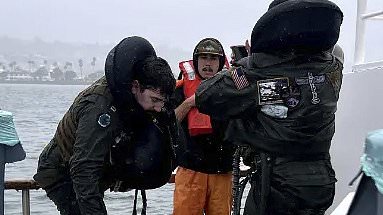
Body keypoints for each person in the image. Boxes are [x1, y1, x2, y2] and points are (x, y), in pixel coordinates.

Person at [194, 0, 344, 214]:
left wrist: (250, 62)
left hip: (277, 183)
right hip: (321, 182)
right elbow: (330, 55)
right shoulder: (333, 69)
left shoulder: (263, 74)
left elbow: (206, 95)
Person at [33, 36, 178, 215]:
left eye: (162, 102)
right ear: (135, 86)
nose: (158, 107)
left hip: (97, 167)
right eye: (154, 100)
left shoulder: (137, 95)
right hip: (62, 168)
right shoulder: (100, 108)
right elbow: (83, 169)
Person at [172, 38, 235, 215]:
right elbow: (170, 123)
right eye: (204, 57)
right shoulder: (181, 89)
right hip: (190, 171)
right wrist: (190, 103)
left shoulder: (232, 88)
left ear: (221, 62)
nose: (208, 63)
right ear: (196, 60)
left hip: (222, 172)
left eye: (213, 58)